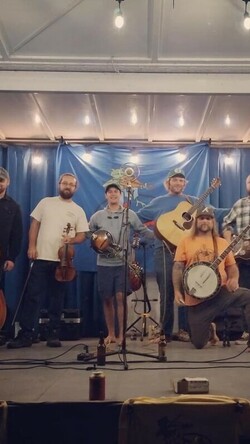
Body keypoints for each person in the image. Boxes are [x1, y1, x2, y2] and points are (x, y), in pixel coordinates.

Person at [7, 173, 88, 349]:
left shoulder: (78, 210)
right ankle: (27, 334)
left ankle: (53, 334)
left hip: (63, 263)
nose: (67, 186)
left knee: (56, 299)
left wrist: (71, 240)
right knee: (32, 297)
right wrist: (31, 246)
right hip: (41, 256)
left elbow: (82, 235)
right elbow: (34, 225)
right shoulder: (45, 202)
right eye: (64, 183)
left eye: (71, 184)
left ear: (75, 188)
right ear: (59, 184)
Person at [172, 206, 250, 349]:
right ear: (196, 221)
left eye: (208, 218)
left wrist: (234, 279)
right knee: (199, 344)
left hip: (221, 293)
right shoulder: (185, 241)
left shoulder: (221, 242)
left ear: (213, 222)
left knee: (248, 296)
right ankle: (211, 329)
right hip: (197, 299)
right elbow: (178, 267)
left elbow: (232, 266)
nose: (205, 221)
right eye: (202, 218)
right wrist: (177, 291)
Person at [89, 183, 154, 346]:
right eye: (109, 192)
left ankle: (121, 335)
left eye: (116, 192)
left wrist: (161, 235)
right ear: (106, 196)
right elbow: (90, 235)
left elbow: (142, 230)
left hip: (122, 262)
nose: (113, 194)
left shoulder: (129, 214)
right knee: (107, 298)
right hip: (103, 263)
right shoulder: (97, 216)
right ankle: (110, 333)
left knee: (120, 297)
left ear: (121, 195)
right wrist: (97, 242)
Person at [137, 168, 199, 342]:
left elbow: (212, 213)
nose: (178, 183)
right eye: (175, 180)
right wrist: (151, 234)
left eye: (181, 180)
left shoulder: (192, 201)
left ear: (185, 184)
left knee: (188, 289)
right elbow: (138, 218)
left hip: (186, 252)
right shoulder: (159, 202)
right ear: (168, 183)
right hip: (163, 250)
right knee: (166, 291)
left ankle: (186, 330)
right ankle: (165, 332)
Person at [222, 174, 250, 342]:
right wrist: (229, 244)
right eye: (249, 181)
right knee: (246, 293)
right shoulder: (240, 204)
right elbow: (226, 223)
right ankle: (247, 332)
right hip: (244, 258)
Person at [0, 167, 23, 344]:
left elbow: (17, 235)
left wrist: (11, 258)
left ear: (8, 182)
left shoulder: (13, 206)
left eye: (2, 180)